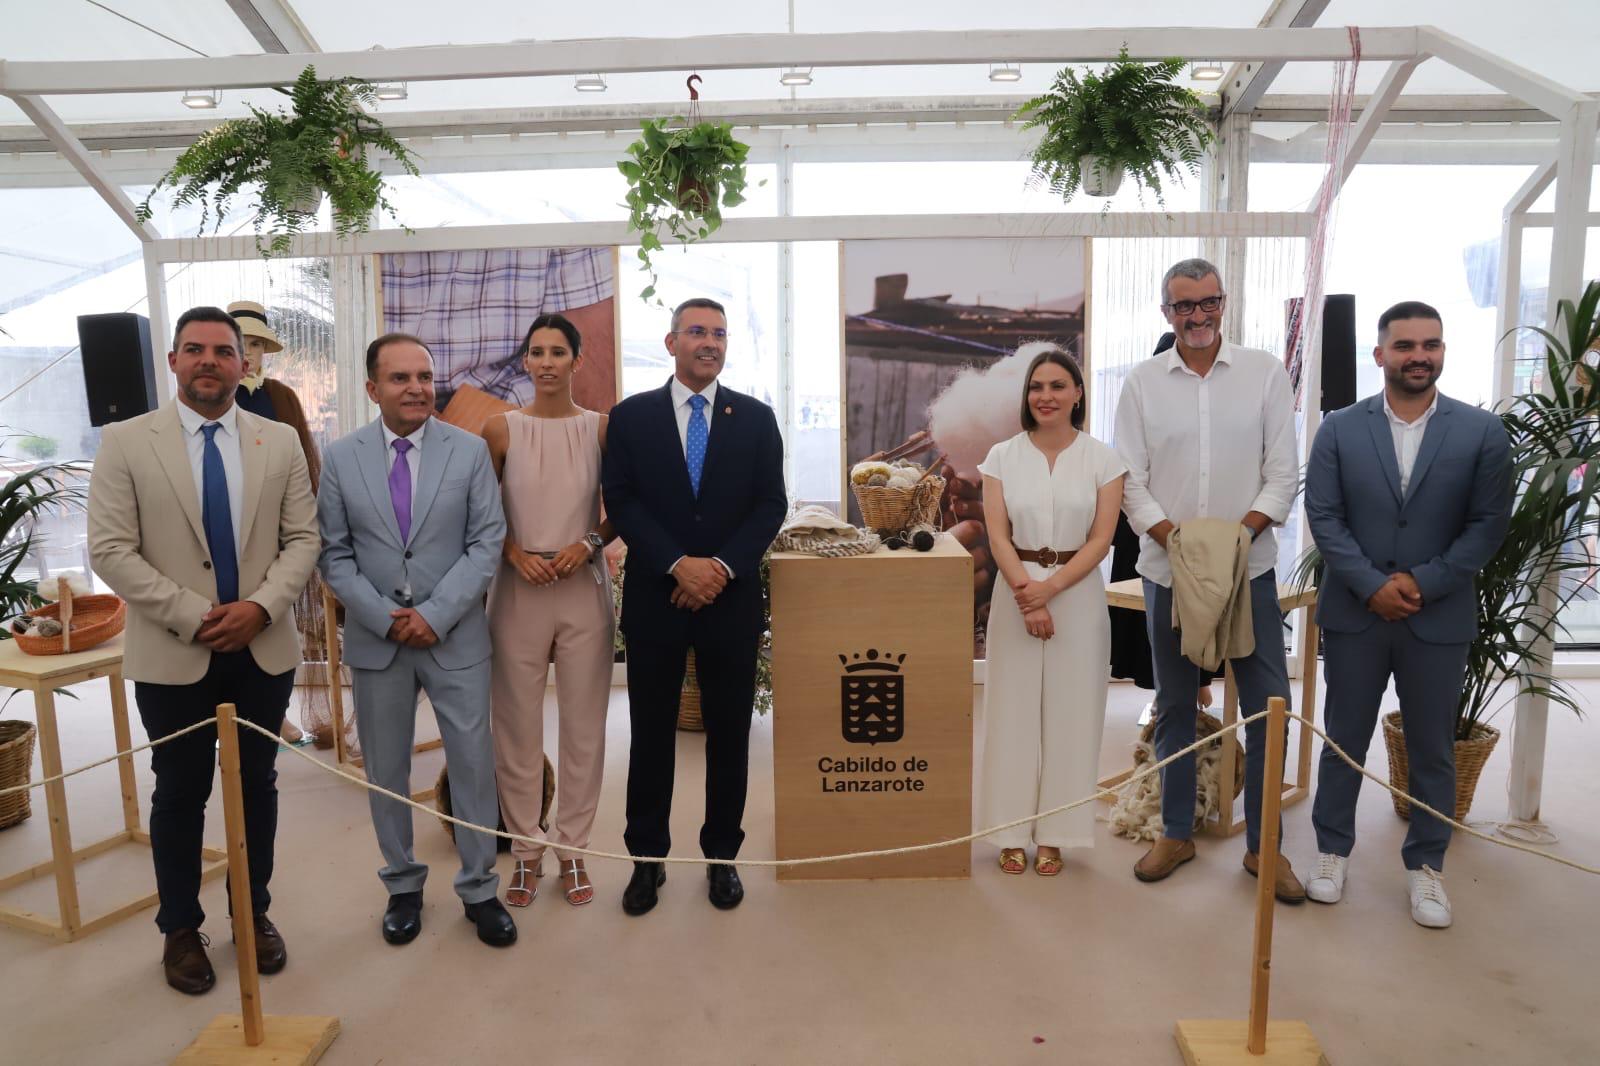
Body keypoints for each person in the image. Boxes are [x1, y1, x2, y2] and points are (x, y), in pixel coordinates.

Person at [87, 305, 319, 994]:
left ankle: (254, 913)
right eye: (195, 349)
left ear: (244, 364)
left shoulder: (276, 443)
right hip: (171, 651)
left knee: (258, 787)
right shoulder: (127, 442)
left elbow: (303, 538)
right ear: (173, 361)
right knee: (180, 792)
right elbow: (110, 549)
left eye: (224, 350)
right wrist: (195, 614)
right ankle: (180, 930)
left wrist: (259, 608)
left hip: (262, 647)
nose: (209, 361)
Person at [1303, 301, 1512, 928]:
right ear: (1380, 355)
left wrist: (1422, 581)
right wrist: (1371, 584)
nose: (1418, 355)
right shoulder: (1338, 429)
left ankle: (1426, 868)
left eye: (1430, 345)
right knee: (1343, 740)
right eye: (1405, 346)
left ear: (1442, 352)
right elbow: (1325, 517)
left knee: (1432, 751)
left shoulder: (1480, 432)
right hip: (1356, 614)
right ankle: (1331, 852)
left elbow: (1488, 525)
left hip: (1436, 616)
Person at [1113, 257, 1305, 901]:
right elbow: (1129, 480)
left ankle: (1264, 848)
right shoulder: (1141, 383)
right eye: (1183, 306)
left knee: (1266, 707)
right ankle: (1175, 830)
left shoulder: (1264, 375)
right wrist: (1180, 542)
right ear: (1165, 313)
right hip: (1168, 572)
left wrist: (1234, 538)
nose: (1197, 316)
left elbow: (1283, 472)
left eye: (1208, 303)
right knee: (1174, 703)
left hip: (1248, 570)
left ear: (1225, 303)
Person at [317, 332, 516, 947]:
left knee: (474, 766)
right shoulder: (341, 458)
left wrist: (436, 613)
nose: (416, 388)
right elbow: (334, 553)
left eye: (425, 377)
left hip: (455, 637)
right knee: (385, 769)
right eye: (400, 378)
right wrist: (385, 616)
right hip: (380, 643)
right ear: (373, 388)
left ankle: (481, 889)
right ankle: (402, 885)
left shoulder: (470, 451)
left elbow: (487, 541)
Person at [601, 297, 787, 915]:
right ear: (671, 340)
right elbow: (623, 502)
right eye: (698, 332)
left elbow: (770, 505)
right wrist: (679, 564)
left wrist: (721, 568)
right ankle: (646, 860)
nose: (710, 342)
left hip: (730, 601)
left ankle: (721, 859)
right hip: (658, 597)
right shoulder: (631, 417)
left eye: (720, 334)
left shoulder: (756, 419)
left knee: (729, 736)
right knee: (650, 736)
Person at [483, 313, 616, 909]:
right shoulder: (499, 430)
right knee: (515, 726)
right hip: (516, 591)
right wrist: (512, 553)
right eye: (534, 352)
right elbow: (480, 515)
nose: (544, 362)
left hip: (582, 587)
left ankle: (575, 850)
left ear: (575, 361)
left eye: (557, 352)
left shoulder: (602, 429)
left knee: (586, 725)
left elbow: (624, 510)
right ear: (525, 361)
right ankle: (526, 852)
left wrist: (587, 543)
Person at [979, 348, 1125, 875]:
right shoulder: (1001, 456)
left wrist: (1051, 589)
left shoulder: (1103, 459)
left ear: (1078, 393)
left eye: (1058, 385)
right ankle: (1009, 832)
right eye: (1037, 387)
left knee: (1073, 713)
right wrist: (1027, 591)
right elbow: (997, 534)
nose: (1046, 396)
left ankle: (1058, 830)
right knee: (1010, 713)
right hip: (1014, 593)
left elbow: (1102, 538)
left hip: (1079, 594)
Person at [226, 299, 325, 746]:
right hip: (221, 531)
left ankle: (275, 714)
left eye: (257, 343)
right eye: (241, 342)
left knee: (273, 623)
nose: (250, 352)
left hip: (278, 532)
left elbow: (305, 459)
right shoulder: (215, 396)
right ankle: (227, 714)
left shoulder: (282, 397)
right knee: (225, 624)